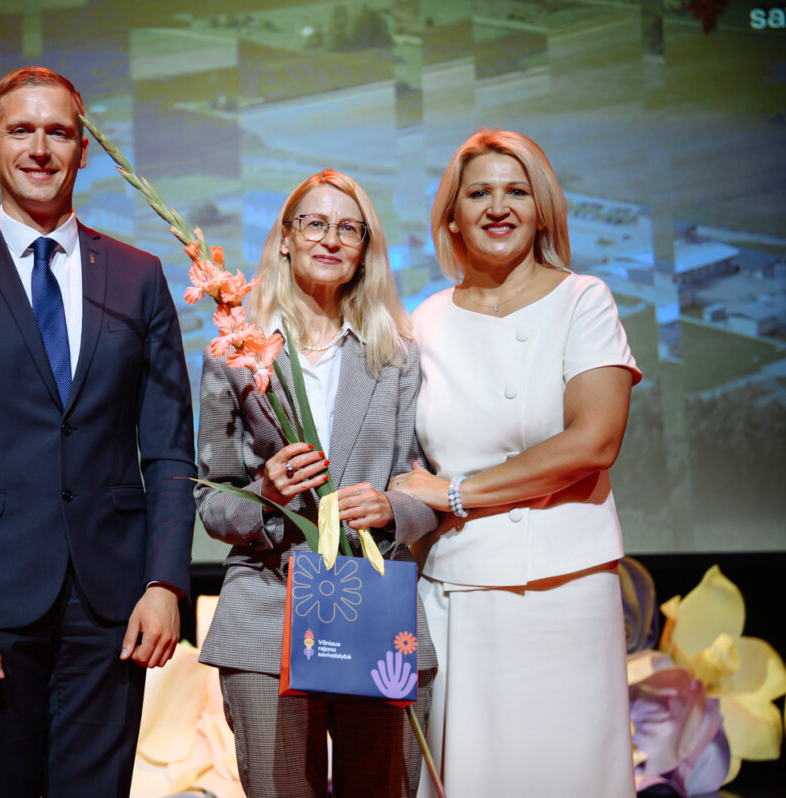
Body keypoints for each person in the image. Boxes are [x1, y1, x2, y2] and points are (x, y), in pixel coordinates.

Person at [0, 66, 196, 797]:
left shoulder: (139, 277)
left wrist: (164, 583)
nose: (40, 148)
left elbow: (170, 451)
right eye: (21, 130)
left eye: (59, 132)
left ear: (83, 150)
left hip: (112, 602)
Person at [389, 129, 640, 798]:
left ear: (541, 210)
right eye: (479, 193)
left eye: (517, 192)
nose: (498, 207)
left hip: (566, 584)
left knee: (568, 771)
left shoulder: (583, 300)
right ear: (452, 216)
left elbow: (594, 442)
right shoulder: (425, 322)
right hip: (460, 587)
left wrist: (457, 492)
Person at [195, 169, 437, 798]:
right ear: (284, 237)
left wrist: (391, 507)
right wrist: (266, 495)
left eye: (349, 229)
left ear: (364, 250)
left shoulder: (396, 354)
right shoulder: (235, 353)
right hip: (267, 613)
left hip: (373, 606)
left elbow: (424, 485)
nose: (330, 239)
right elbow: (211, 500)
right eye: (314, 223)